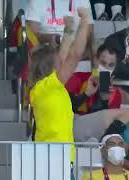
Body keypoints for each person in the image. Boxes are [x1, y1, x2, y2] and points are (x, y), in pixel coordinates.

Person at [29, 5, 89, 145]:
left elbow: (62, 56)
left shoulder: (44, 87)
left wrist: (69, 29)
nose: (61, 60)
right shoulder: (47, 87)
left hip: (56, 153)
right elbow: (74, 55)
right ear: (51, 65)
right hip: (53, 154)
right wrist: (85, 20)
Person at [66, 44, 122, 114]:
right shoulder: (76, 78)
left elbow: (105, 121)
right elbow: (63, 110)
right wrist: (85, 95)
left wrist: (104, 99)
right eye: (103, 63)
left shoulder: (115, 94)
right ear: (95, 60)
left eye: (111, 65)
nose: (105, 69)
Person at [26, 0, 93, 53]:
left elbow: (89, 33)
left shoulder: (83, 1)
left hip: (76, 47)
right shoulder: (37, 1)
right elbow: (31, 35)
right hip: (47, 51)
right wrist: (51, 38)